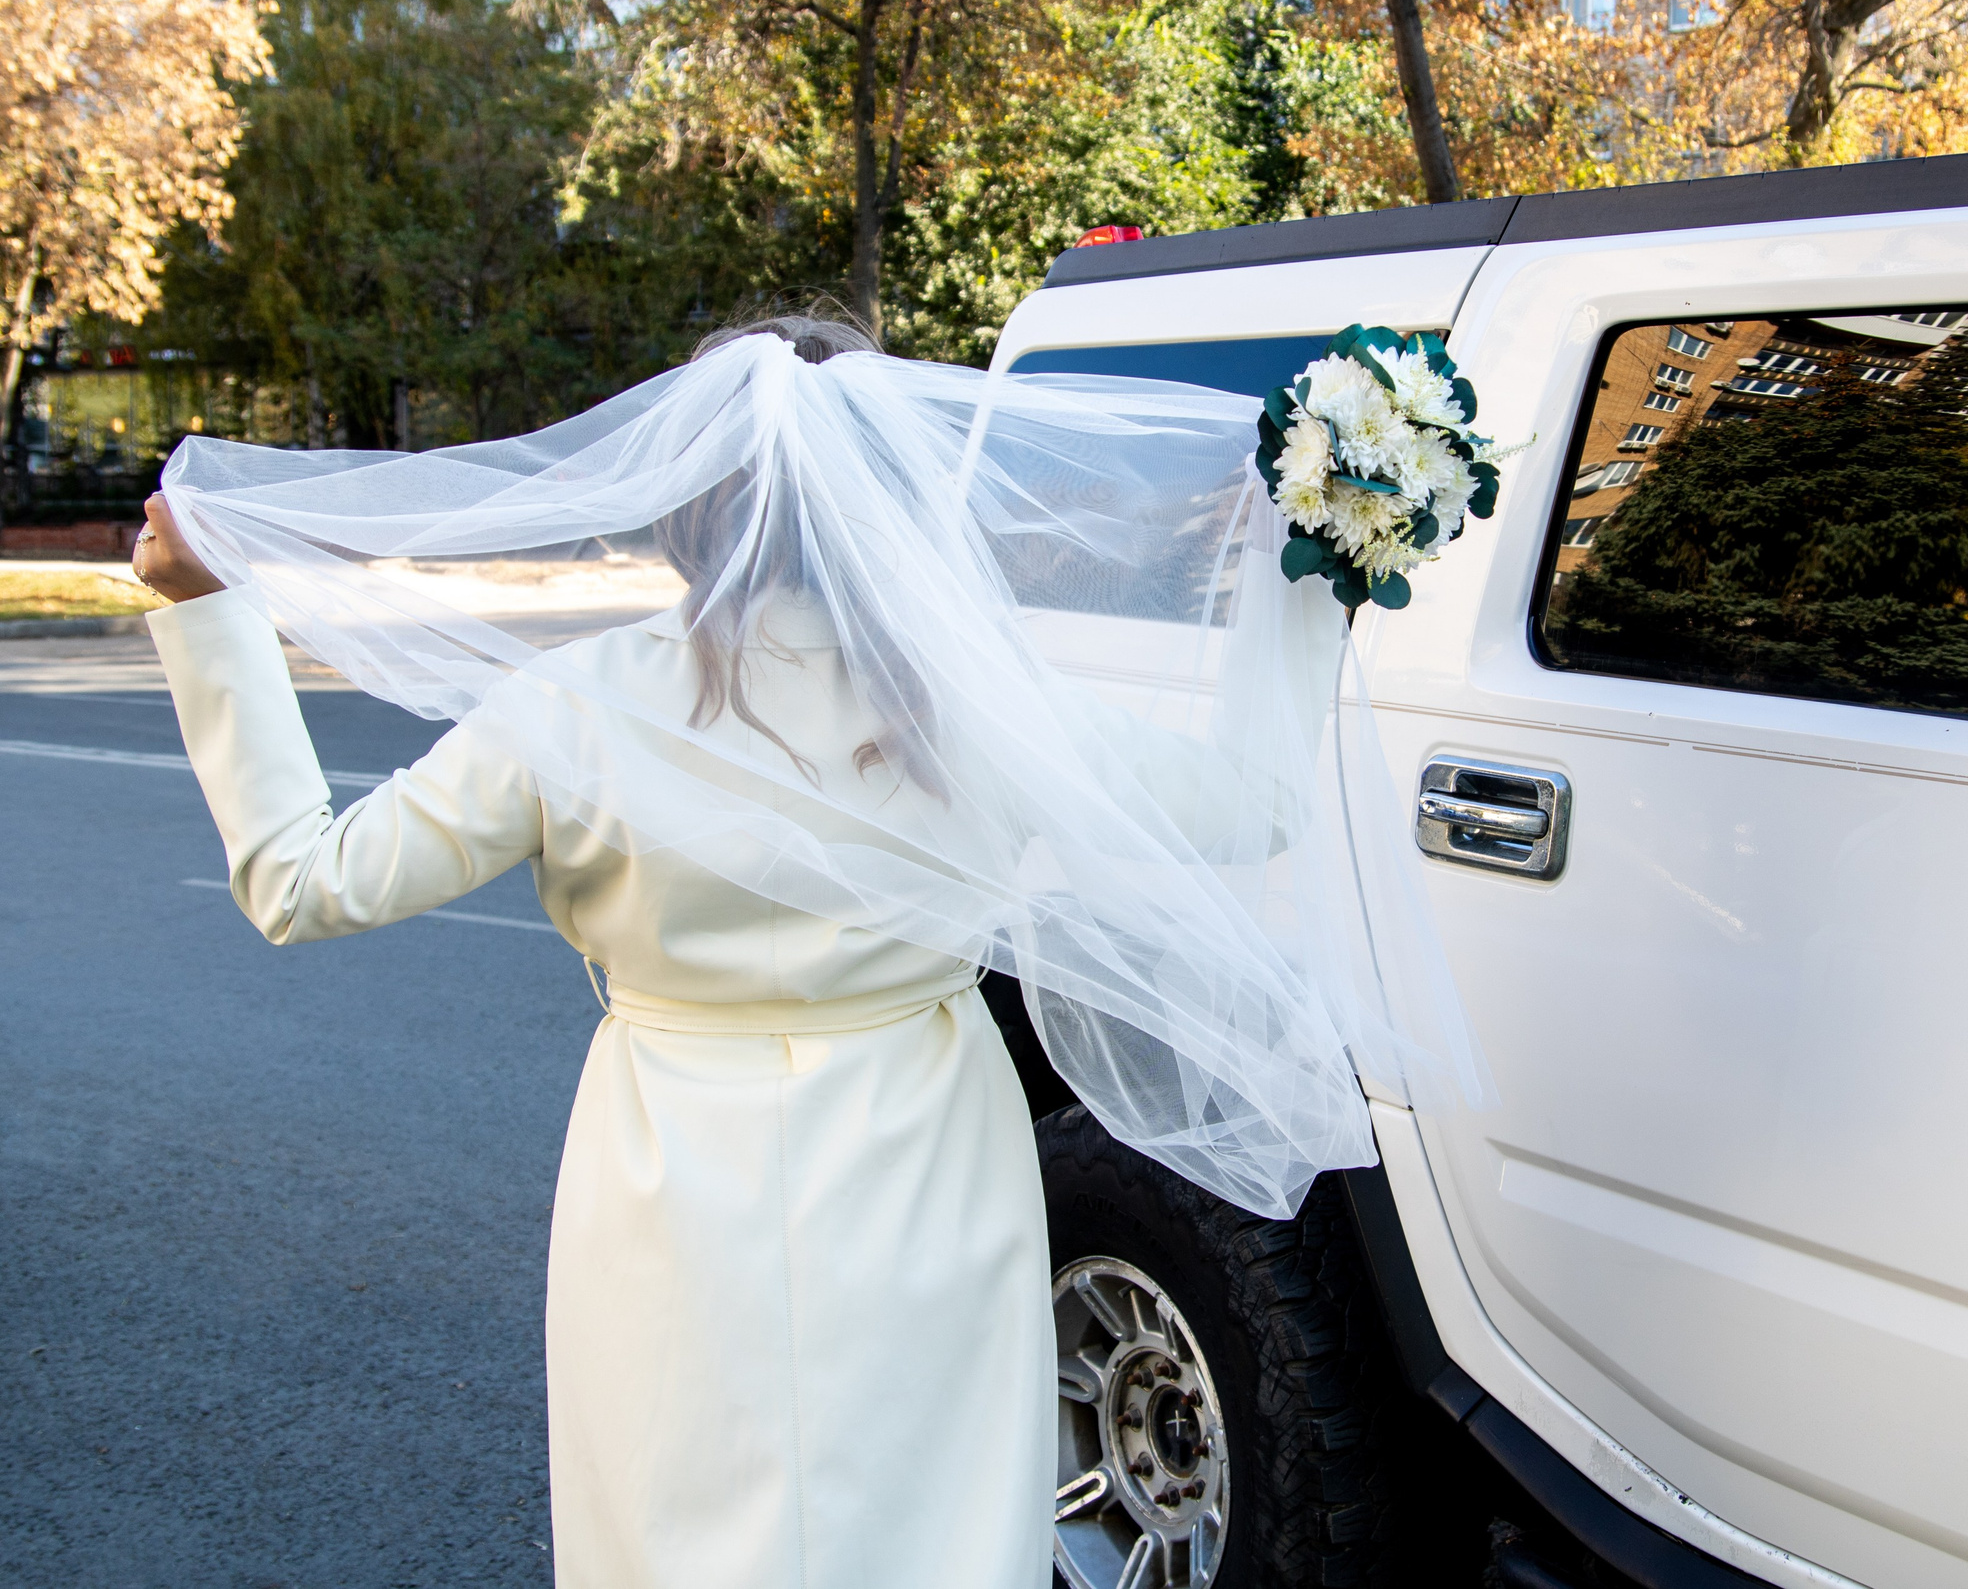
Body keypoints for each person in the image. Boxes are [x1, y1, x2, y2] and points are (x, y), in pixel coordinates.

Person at [132, 312, 1472, 1586]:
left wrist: (203, 609)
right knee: (924, 1505)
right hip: (922, 1159)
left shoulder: (576, 709)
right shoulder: (968, 713)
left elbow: (303, 883)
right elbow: (1251, 812)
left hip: (668, 1173)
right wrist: (1317, 582)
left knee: (677, 1499)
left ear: (681, 502)